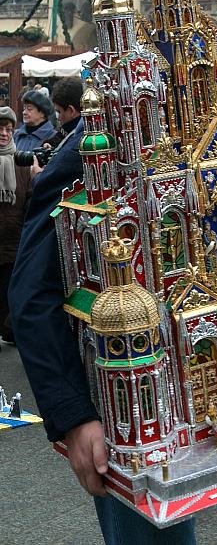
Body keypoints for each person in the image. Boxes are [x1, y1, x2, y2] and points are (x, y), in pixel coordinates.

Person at [9, 86, 196, 544]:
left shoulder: (204, 116)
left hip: (193, 374)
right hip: (124, 384)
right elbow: (33, 292)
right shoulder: (100, 136)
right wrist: (73, 415)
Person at [0, 106, 31, 345]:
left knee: (10, 289)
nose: (4, 134)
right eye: (0, 129)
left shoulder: (22, 162)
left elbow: (29, 199)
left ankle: (9, 330)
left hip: (14, 240)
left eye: (9, 129)